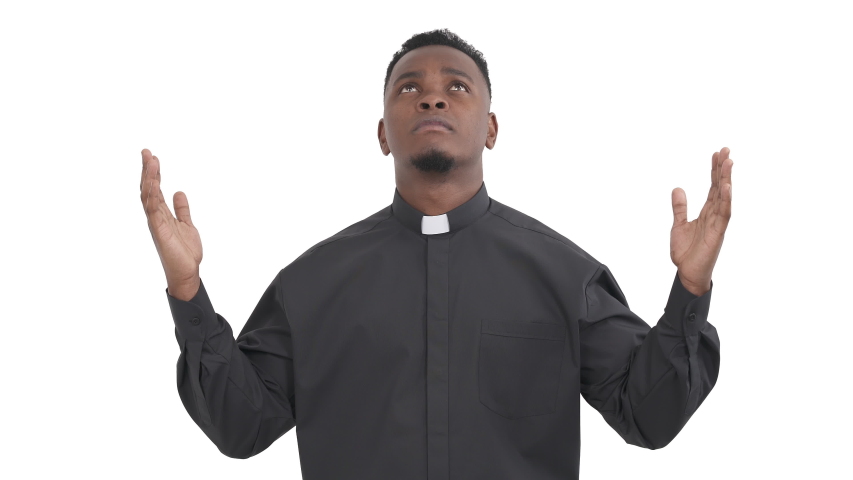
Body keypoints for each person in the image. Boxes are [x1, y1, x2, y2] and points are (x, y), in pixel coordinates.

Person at [139, 28, 732, 480]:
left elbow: (649, 417)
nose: (432, 100)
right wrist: (188, 290)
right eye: (409, 88)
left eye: (456, 87)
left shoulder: (565, 276)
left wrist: (691, 289)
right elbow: (241, 426)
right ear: (382, 134)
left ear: (491, 129)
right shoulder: (311, 284)